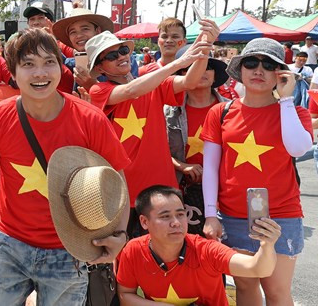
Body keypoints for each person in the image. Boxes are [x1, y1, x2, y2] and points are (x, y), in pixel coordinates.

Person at [0, 28, 130, 305]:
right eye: (28, 64)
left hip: (70, 250)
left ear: (61, 68)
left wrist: (120, 235)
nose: (40, 73)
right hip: (9, 244)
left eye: (49, 62)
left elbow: (118, 182)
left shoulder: (90, 119)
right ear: (12, 73)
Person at [201, 38, 312, 306]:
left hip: (281, 215)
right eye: (251, 63)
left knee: (276, 291)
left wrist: (286, 100)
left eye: (269, 65)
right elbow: (211, 168)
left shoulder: (295, 112)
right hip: (232, 215)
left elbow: (298, 148)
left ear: (280, 73)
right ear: (240, 70)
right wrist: (210, 214)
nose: (259, 70)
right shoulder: (220, 112)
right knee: (245, 288)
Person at [87, 27, 214, 236]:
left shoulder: (153, 82)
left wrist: (204, 49)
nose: (121, 57)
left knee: (166, 247)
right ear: (100, 68)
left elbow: (189, 82)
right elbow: (131, 90)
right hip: (123, 193)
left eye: (123, 51)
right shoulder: (99, 90)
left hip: (163, 188)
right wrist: (178, 63)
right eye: (111, 56)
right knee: (128, 252)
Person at [117, 185, 282, 306]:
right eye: (165, 216)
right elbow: (125, 295)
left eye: (180, 214)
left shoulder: (206, 250)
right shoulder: (133, 250)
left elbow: (258, 268)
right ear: (144, 222)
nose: (176, 223)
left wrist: (267, 245)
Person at [163, 45, 231, 233]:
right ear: (181, 76)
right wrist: (182, 166)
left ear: (215, 75)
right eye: (191, 66)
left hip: (226, 193)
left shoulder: (232, 110)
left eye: (207, 66)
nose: (201, 70)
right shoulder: (167, 112)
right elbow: (156, 150)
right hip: (181, 193)